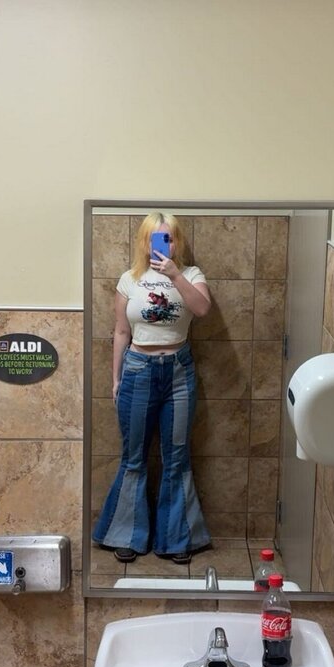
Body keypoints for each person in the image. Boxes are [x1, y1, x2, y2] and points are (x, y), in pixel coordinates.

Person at [93, 211, 212, 563]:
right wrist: (116, 379)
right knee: (134, 457)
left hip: (178, 373)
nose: (163, 244)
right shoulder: (130, 279)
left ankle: (176, 539)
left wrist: (175, 274)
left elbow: (202, 309)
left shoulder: (191, 275)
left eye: (169, 238)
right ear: (144, 242)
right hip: (138, 370)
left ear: (178, 242)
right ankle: (127, 535)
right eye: (156, 238)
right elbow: (120, 332)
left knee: (176, 457)